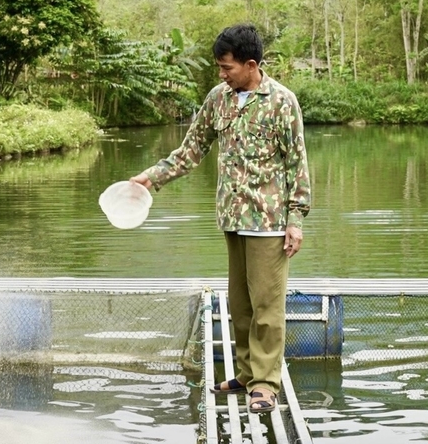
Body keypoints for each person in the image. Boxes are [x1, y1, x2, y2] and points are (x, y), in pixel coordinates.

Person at [131, 23, 310, 415]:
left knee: (267, 305)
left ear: (250, 64)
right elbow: (191, 149)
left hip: (269, 220)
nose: (221, 74)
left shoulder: (282, 101)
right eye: (219, 67)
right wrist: (150, 178)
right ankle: (246, 374)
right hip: (232, 216)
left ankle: (265, 382)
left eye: (226, 67)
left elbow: (297, 164)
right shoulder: (218, 99)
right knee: (241, 304)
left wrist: (296, 219)